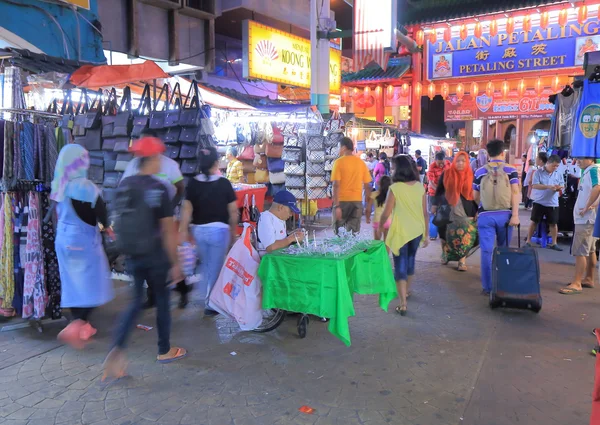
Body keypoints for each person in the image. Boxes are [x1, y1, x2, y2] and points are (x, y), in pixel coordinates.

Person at [105, 137, 185, 379]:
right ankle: (164, 350)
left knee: (135, 302)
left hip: (132, 253)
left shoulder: (125, 185)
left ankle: (117, 349)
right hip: (155, 254)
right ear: (153, 159)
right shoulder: (158, 189)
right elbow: (169, 232)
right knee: (162, 301)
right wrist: (175, 263)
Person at [52, 144, 114, 349]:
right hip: (83, 242)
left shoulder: (59, 185)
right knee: (93, 283)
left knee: (73, 284)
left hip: (63, 241)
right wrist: (108, 228)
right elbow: (102, 215)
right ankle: (78, 323)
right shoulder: (86, 187)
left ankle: (83, 324)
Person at [121, 128, 186, 309]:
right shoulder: (134, 165)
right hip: (143, 223)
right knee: (153, 259)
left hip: (164, 218)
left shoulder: (169, 164)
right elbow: (124, 190)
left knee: (169, 254)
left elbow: (180, 187)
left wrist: (170, 207)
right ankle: (153, 296)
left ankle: (182, 289)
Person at [179, 147, 239, 316]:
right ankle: (210, 304)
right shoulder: (224, 183)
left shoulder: (193, 183)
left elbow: (186, 209)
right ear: (216, 163)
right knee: (215, 267)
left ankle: (207, 296)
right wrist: (233, 234)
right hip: (219, 232)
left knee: (205, 265)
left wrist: (183, 230)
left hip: (198, 231)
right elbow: (233, 211)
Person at [379, 155, 429, 316]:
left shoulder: (395, 189)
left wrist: (380, 227)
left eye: (393, 167)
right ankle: (406, 292)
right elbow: (425, 213)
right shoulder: (419, 187)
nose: (391, 170)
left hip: (400, 232)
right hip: (416, 231)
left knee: (400, 266)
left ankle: (403, 303)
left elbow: (386, 213)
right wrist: (426, 234)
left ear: (398, 169)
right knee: (410, 262)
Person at [473, 139, 520, 296]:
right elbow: (515, 192)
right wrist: (515, 215)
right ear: (503, 152)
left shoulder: (479, 171)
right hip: (506, 216)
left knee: (486, 252)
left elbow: (474, 195)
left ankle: (487, 287)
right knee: (504, 250)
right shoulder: (510, 170)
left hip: (485, 216)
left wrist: (483, 205)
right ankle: (503, 284)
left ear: (488, 153)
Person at [431, 152, 478, 272]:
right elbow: (439, 190)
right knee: (443, 233)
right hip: (446, 207)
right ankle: (445, 253)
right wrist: (435, 205)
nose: (460, 163)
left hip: (465, 209)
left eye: (463, 161)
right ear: (454, 161)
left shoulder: (471, 175)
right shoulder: (447, 173)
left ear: (467, 162)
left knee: (464, 236)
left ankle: (462, 260)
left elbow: (476, 195)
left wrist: (478, 210)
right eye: (458, 160)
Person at [559, 158, 600, 295]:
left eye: (581, 158)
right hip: (588, 217)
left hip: (586, 219)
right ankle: (589, 278)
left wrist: (588, 206)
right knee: (590, 250)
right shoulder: (589, 170)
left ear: (590, 158)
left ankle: (577, 282)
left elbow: (597, 187)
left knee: (580, 250)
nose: (578, 161)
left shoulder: (593, 170)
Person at [331, 137, 372, 233]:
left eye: (339, 147)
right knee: (353, 235)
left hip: (342, 202)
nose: (338, 150)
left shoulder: (338, 163)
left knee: (339, 234)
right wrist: (368, 206)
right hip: (357, 202)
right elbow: (367, 186)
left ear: (344, 148)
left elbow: (336, 185)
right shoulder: (361, 163)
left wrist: (337, 206)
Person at [525, 154, 564, 251]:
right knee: (534, 221)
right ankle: (528, 241)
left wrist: (558, 188)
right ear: (548, 163)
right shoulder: (538, 172)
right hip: (539, 201)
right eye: (554, 165)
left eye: (557, 166)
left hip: (553, 202)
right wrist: (548, 187)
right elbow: (534, 185)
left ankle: (554, 243)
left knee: (553, 223)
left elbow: (562, 185)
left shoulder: (558, 173)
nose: (555, 168)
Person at [257, 190, 303, 255]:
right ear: (280, 207)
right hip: (269, 260)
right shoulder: (266, 218)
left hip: (280, 256)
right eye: (290, 211)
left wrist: (294, 235)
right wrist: (292, 238)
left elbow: (282, 239)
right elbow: (270, 247)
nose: (291, 215)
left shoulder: (280, 219)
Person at [365, 175, 392, 241]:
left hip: (378, 221)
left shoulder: (374, 194)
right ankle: (386, 252)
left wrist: (367, 218)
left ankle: (378, 252)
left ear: (379, 184)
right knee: (387, 243)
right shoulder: (391, 195)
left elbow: (368, 209)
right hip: (388, 220)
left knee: (376, 243)